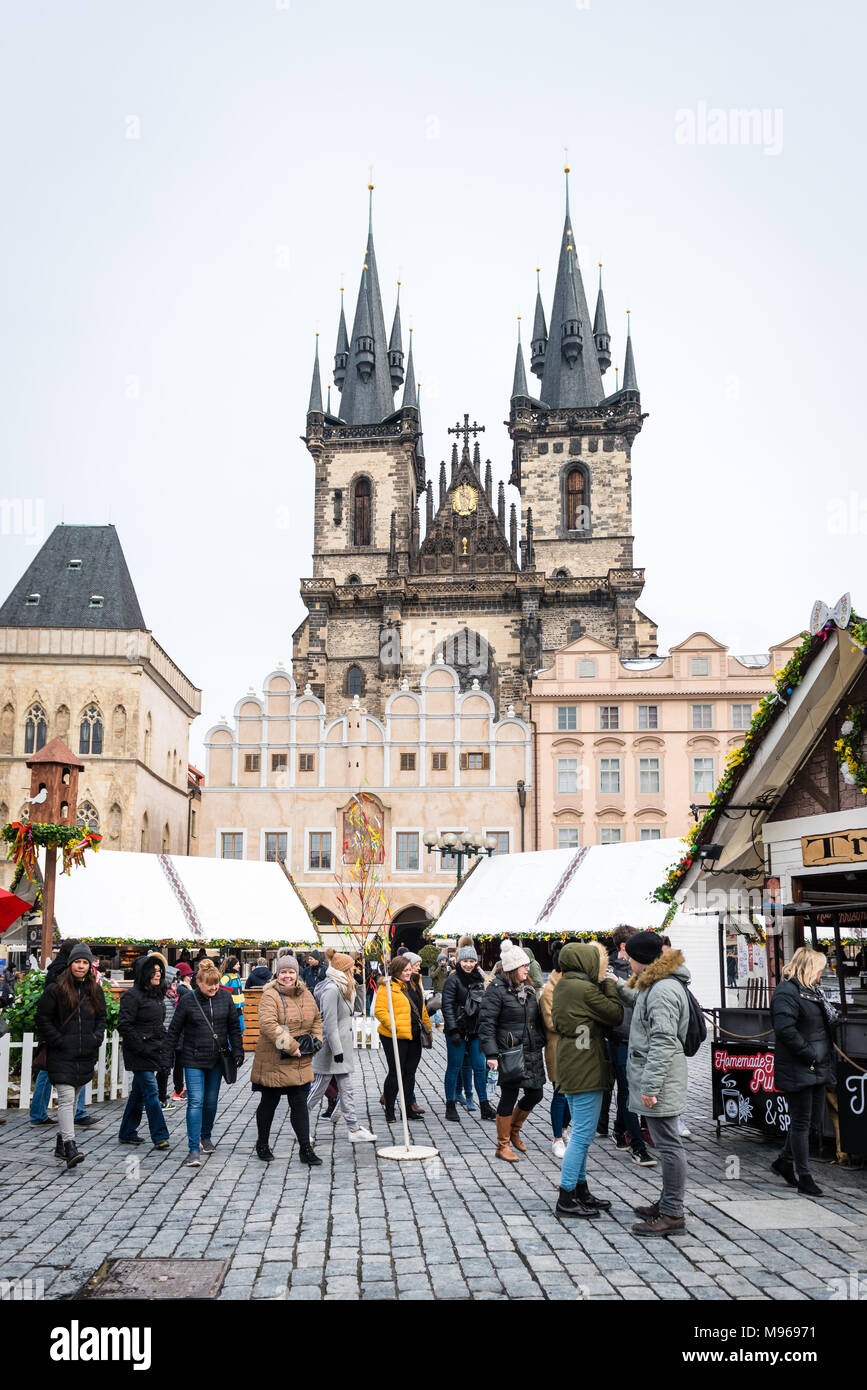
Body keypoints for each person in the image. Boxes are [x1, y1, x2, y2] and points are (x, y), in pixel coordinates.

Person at [612, 931, 691, 1237]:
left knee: (669, 1145)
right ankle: (667, 1203)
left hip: (662, 1079)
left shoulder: (662, 990)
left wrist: (650, 1087)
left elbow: (662, 1041)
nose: (625, 960)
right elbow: (639, 999)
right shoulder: (655, 983)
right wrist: (617, 985)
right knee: (667, 1142)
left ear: (641, 959)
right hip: (661, 1076)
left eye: (629, 956)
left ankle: (672, 1214)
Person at [551, 941, 624, 1217]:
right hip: (585, 1066)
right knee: (582, 1134)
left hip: (572, 1062)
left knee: (580, 1131)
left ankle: (580, 1189)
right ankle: (567, 1195)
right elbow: (614, 1014)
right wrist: (607, 984)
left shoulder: (564, 984)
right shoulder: (583, 988)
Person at [770, 946, 836, 1197]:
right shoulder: (788, 992)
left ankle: (785, 1161)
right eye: (820, 969)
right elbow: (785, 1029)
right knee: (801, 1122)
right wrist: (809, 1052)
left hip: (816, 1064)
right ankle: (804, 1176)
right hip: (801, 1065)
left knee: (812, 1121)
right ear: (809, 968)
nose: (822, 973)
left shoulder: (811, 991)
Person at [165, 957, 243, 1166]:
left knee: (210, 1101)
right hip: (192, 1057)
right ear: (198, 982)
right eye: (209, 984)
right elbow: (175, 1029)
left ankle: (205, 1135)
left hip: (217, 1058)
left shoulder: (225, 998)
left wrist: (238, 1049)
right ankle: (192, 1149)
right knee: (196, 1101)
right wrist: (167, 1055)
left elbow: (234, 1026)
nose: (214, 987)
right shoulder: (189, 1001)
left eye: (216, 983)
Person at [35, 943, 106, 1169]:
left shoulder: (94, 990)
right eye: (78, 961)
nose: (81, 966)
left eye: (85, 962)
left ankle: (60, 1142)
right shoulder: (56, 989)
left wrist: (96, 1038)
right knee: (66, 1098)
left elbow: (101, 1018)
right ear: (70, 963)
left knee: (74, 1099)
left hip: (84, 1052)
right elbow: (42, 1018)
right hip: (62, 1052)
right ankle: (70, 1146)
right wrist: (58, 1040)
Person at [250, 952, 322, 1164]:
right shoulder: (270, 995)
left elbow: (317, 1019)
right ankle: (262, 1143)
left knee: (299, 1103)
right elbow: (268, 1025)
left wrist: (315, 1042)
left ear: (297, 973)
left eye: (291, 972)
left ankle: (305, 1149)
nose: (287, 976)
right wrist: (291, 1046)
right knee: (269, 1102)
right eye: (283, 972)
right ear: (277, 974)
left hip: (300, 1060)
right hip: (274, 1059)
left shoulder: (306, 994)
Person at [479, 940, 546, 1162]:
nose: (527, 969)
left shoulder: (528, 988)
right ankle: (503, 1144)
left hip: (531, 1049)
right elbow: (487, 1023)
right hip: (510, 1052)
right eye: (523, 966)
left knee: (536, 1093)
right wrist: (491, 1054)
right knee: (510, 1095)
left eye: (527, 966)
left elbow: (535, 1018)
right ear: (511, 968)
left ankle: (515, 1130)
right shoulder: (496, 991)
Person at [306, 948, 377, 1143]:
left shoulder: (344, 986)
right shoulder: (331, 989)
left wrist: (360, 986)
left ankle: (354, 1129)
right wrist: (337, 1050)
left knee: (347, 1090)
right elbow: (329, 1022)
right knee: (317, 1090)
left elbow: (358, 1008)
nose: (354, 971)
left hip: (341, 1047)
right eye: (352, 968)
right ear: (343, 969)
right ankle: (300, 1125)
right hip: (331, 1048)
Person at [29, 939, 97, 1128]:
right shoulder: (61, 974)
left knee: (51, 1072)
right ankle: (76, 1115)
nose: (82, 965)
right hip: (63, 1035)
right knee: (63, 1074)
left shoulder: (56, 969)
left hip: (63, 1036)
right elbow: (49, 1011)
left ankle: (41, 1114)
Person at [607, 925, 656, 1166]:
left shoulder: (644, 971)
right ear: (625, 948)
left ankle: (619, 1130)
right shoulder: (609, 971)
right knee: (628, 1091)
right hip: (621, 1038)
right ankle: (637, 1144)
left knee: (630, 1090)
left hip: (640, 1040)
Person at [117, 954, 171, 1151]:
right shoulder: (132, 996)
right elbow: (124, 1024)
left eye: (159, 971)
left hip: (153, 1050)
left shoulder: (156, 995)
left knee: (138, 1093)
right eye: (154, 971)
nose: (158, 974)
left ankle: (127, 1132)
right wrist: (140, 1045)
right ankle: (160, 1135)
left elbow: (157, 1025)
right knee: (151, 1091)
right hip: (138, 1052)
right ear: (144, 973)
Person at [442, 945, 496, 1121]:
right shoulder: (453, 979)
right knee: (454, 1066)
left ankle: (485, 1105)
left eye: (472, 961)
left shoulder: (478, 979)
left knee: (480, 1067)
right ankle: (450, 1105)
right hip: (457, 1029)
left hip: (474, 1030)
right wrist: (453, 1029)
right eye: (465, 961)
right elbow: (447, 1006)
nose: (468, 964)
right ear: (459, 961)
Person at [375, 956, 430, 1122]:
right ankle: (389, 1109)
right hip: (394, 1035)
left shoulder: (415, 983)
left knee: (410, 1074)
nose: (408, 973)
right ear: (397, 971)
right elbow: (379, 1011)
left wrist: (428, 1028)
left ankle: (407, 1109)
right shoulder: (388, 986)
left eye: (409, 969)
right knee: (395, 1072)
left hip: (414, 1034)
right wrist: (395, 1026)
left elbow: (421, 1009)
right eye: (405, 970)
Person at [538, 946, 570, 1158]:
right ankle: (557, 1138)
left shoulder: (574, 984)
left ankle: (566, 1130)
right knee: (560, 1093)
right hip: (558, 1048)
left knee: (571, 1093)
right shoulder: (551, 989)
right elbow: (551, 1022)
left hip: (575, 1047)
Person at [219, 956, 245, 1036]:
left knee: (241, 1028)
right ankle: (229, 1047)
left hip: (239, 1007)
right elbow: (220, 990)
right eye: (237, 964)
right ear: (232, 965)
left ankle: (235, 1046)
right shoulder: (226, 977)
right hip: (231, 1007)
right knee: (231, 1029)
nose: (239, 966)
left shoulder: (237, 976)